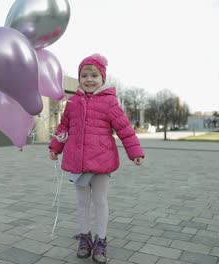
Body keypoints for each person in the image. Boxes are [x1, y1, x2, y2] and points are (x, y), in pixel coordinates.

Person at [49, 54, 144, 264]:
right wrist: (56, 146)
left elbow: (124, 129)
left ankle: (101, 240)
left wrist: (135, 152)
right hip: (78, 162)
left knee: (100, 202)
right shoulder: (72, 102)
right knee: (82, 203)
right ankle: (84, 238)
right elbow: (64, 127)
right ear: (79, 78)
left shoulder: (110, 102)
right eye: (84, 75)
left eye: (94, 75)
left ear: (102, 78)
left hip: (102, 161)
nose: (89, 79)